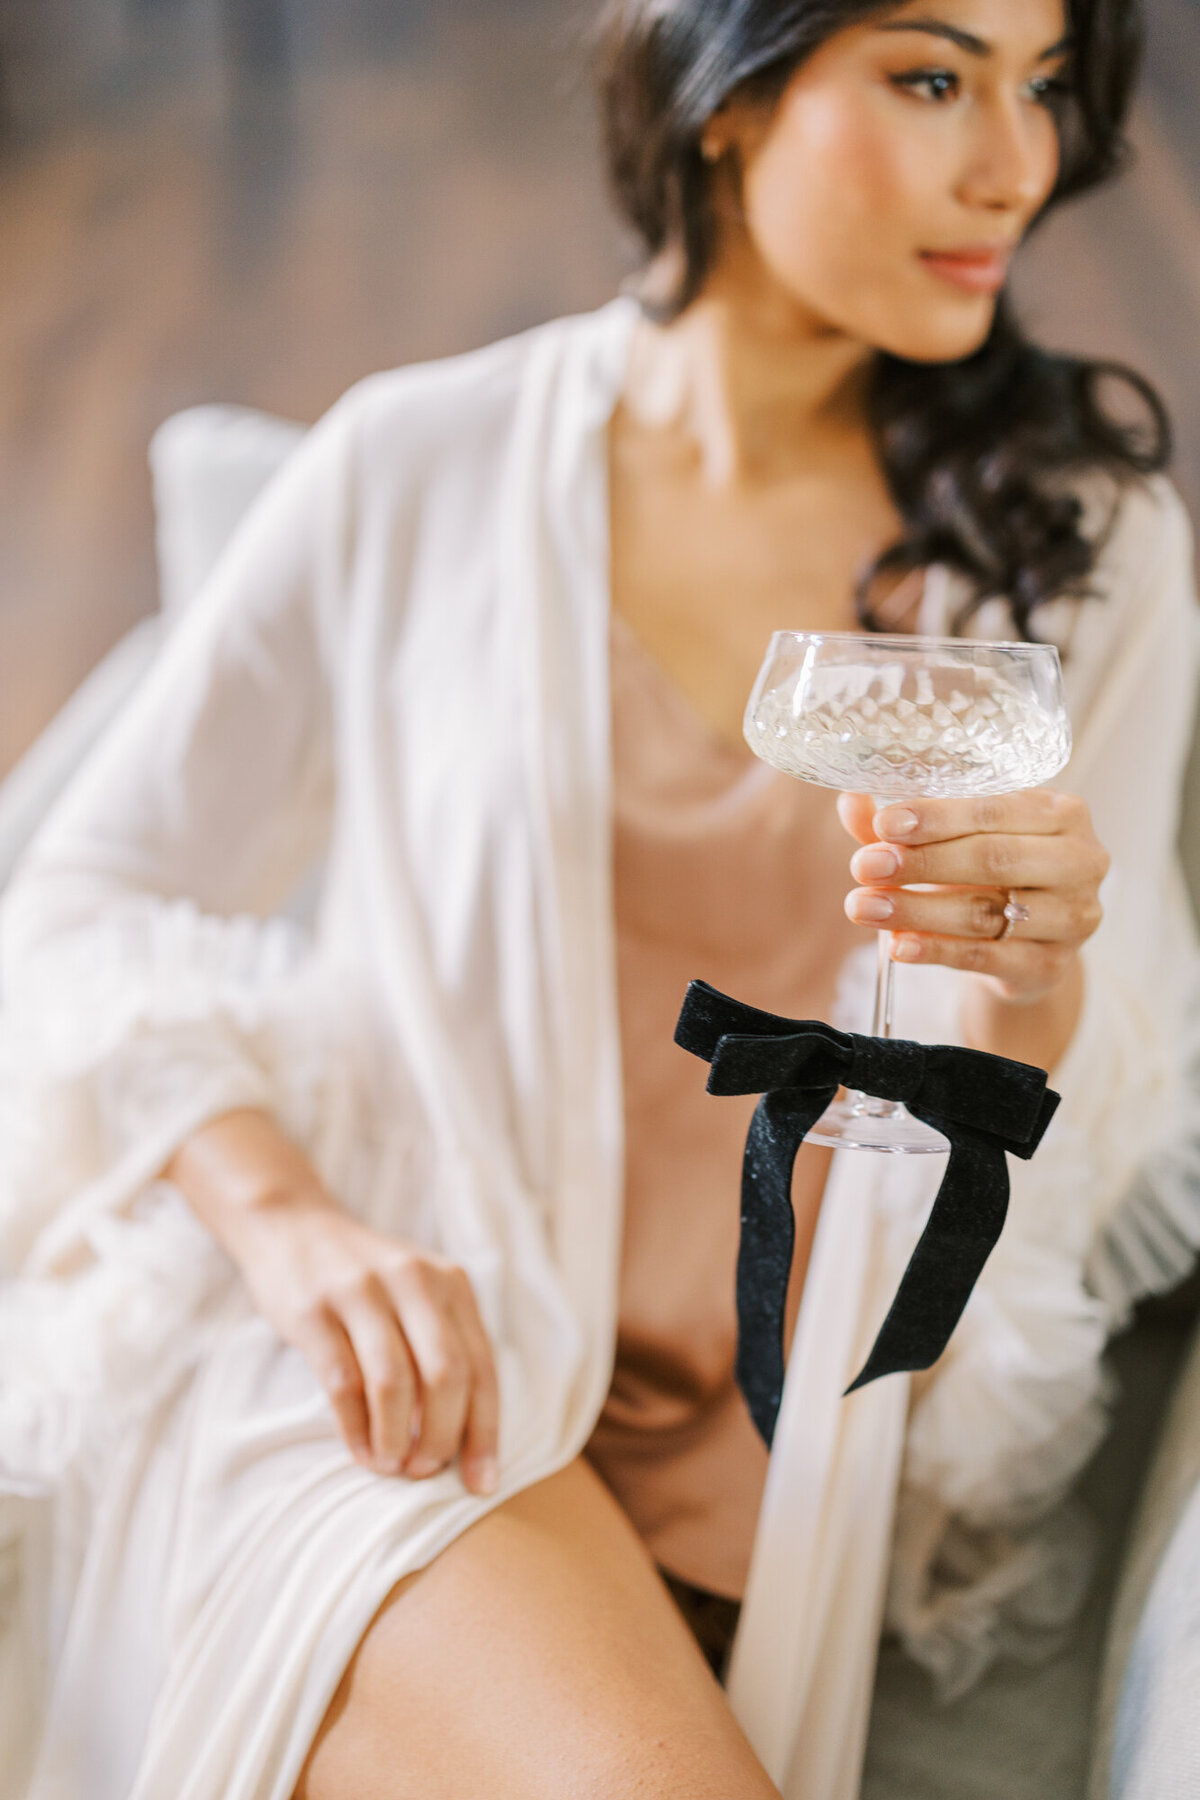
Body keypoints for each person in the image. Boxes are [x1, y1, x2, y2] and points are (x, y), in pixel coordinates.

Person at [0, 0, 1197, 1795]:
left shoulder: (1085, 553)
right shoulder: (419, 468)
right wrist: (295, 1228)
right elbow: (82, 889)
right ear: (728, 98)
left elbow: (1086, 1148)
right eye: (933, 77)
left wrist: (1024, 983)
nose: (1014, 164)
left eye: (1042, 89)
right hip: (397, 1367)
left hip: (769, 1477)